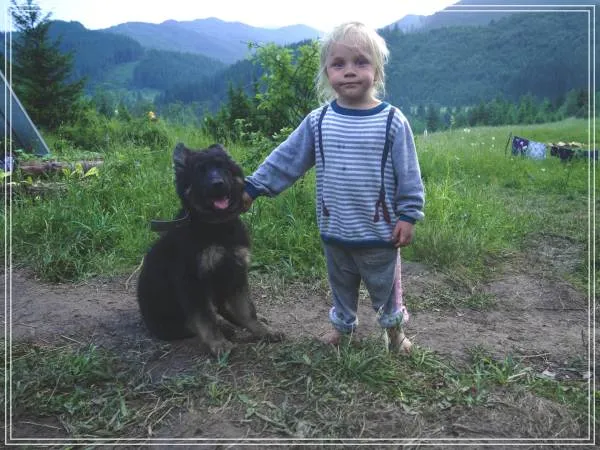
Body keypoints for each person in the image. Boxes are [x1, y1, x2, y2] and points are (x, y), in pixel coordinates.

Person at [242, 22, 424, 353]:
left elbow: (409, 173)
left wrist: (408, 215)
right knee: (341, 285)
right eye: (338, 64)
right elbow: (287, 158)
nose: (349, 71)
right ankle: (342, 329)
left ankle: (395, 334)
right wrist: (253, 187)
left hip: (380, 233)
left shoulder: (392, 121)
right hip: (335, 229)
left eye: (361, 62)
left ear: (377, 71)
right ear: (327, 73)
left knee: (387, 289)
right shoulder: (319, 121)